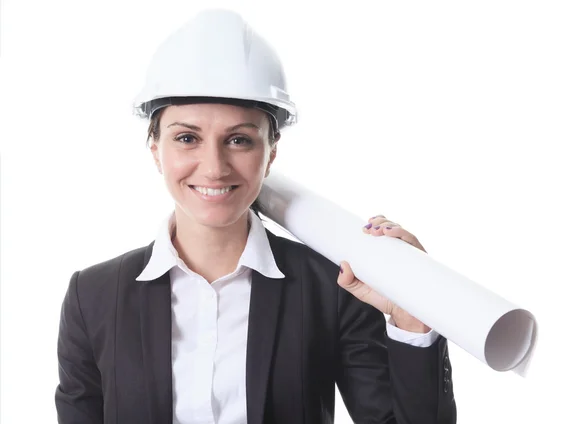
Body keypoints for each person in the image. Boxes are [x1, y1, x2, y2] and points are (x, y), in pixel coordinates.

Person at [55, 9, 457, 424]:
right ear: (155, 148)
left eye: (239, 139)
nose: (213, 167)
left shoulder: (332, 288)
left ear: (271, 153)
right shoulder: (94, 297)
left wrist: (413, 316)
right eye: (187, 138)